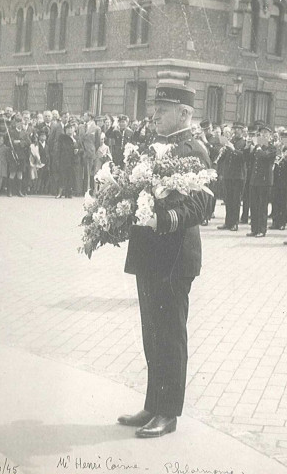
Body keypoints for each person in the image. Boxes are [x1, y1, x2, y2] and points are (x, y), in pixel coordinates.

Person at [119, 83, 212, 438]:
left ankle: (168, 413)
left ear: (184, 114)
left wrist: (164, 219)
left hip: (174, 257)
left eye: (164, 108)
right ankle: (152, 405)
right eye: (155, 107)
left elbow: (202, 205)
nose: (154, 114)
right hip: (149, 253)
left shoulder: (194, 149)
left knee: (170, 335)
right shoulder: (155, 146)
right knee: (152, 334)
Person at [247, 124, 277, 237]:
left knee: (262, 206)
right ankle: (254, 228)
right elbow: (248, 160)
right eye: (261, 133)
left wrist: (258, 148)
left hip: (265, 181)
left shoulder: (272, 148)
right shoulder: (256, 147)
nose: (263, 135)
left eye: (266, 133)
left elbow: (265, 157)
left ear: (270, 135)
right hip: (254, 180)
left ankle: (261, 229)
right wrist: (248, 148)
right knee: (253, 205)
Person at [217, 121, 247, 231]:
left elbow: (244, 157)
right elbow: (225, 158)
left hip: (238, 176)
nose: (235, 131)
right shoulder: (231, 141)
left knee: (236, 200)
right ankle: (228, 222)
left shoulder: (244, 143)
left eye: (238, 129)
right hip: (228, 175)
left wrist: (233, 149)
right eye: (234, 129)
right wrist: (223, 151)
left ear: (242, 130)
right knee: (228, 199)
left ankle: (235, 223)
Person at [56, 123, 79, 198]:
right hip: (64, 159)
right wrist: (57, 159)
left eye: (71, 128)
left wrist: (78, 151)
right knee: (62, 176)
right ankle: (60, 193)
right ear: (65, 130)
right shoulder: (62, 138)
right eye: (68, 129)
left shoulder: (76, 138)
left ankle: (69, 193)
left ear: (74, 129)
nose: (69, 130)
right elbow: (58, 149)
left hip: (73, 160)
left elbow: (82, 148)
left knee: (71, 176)